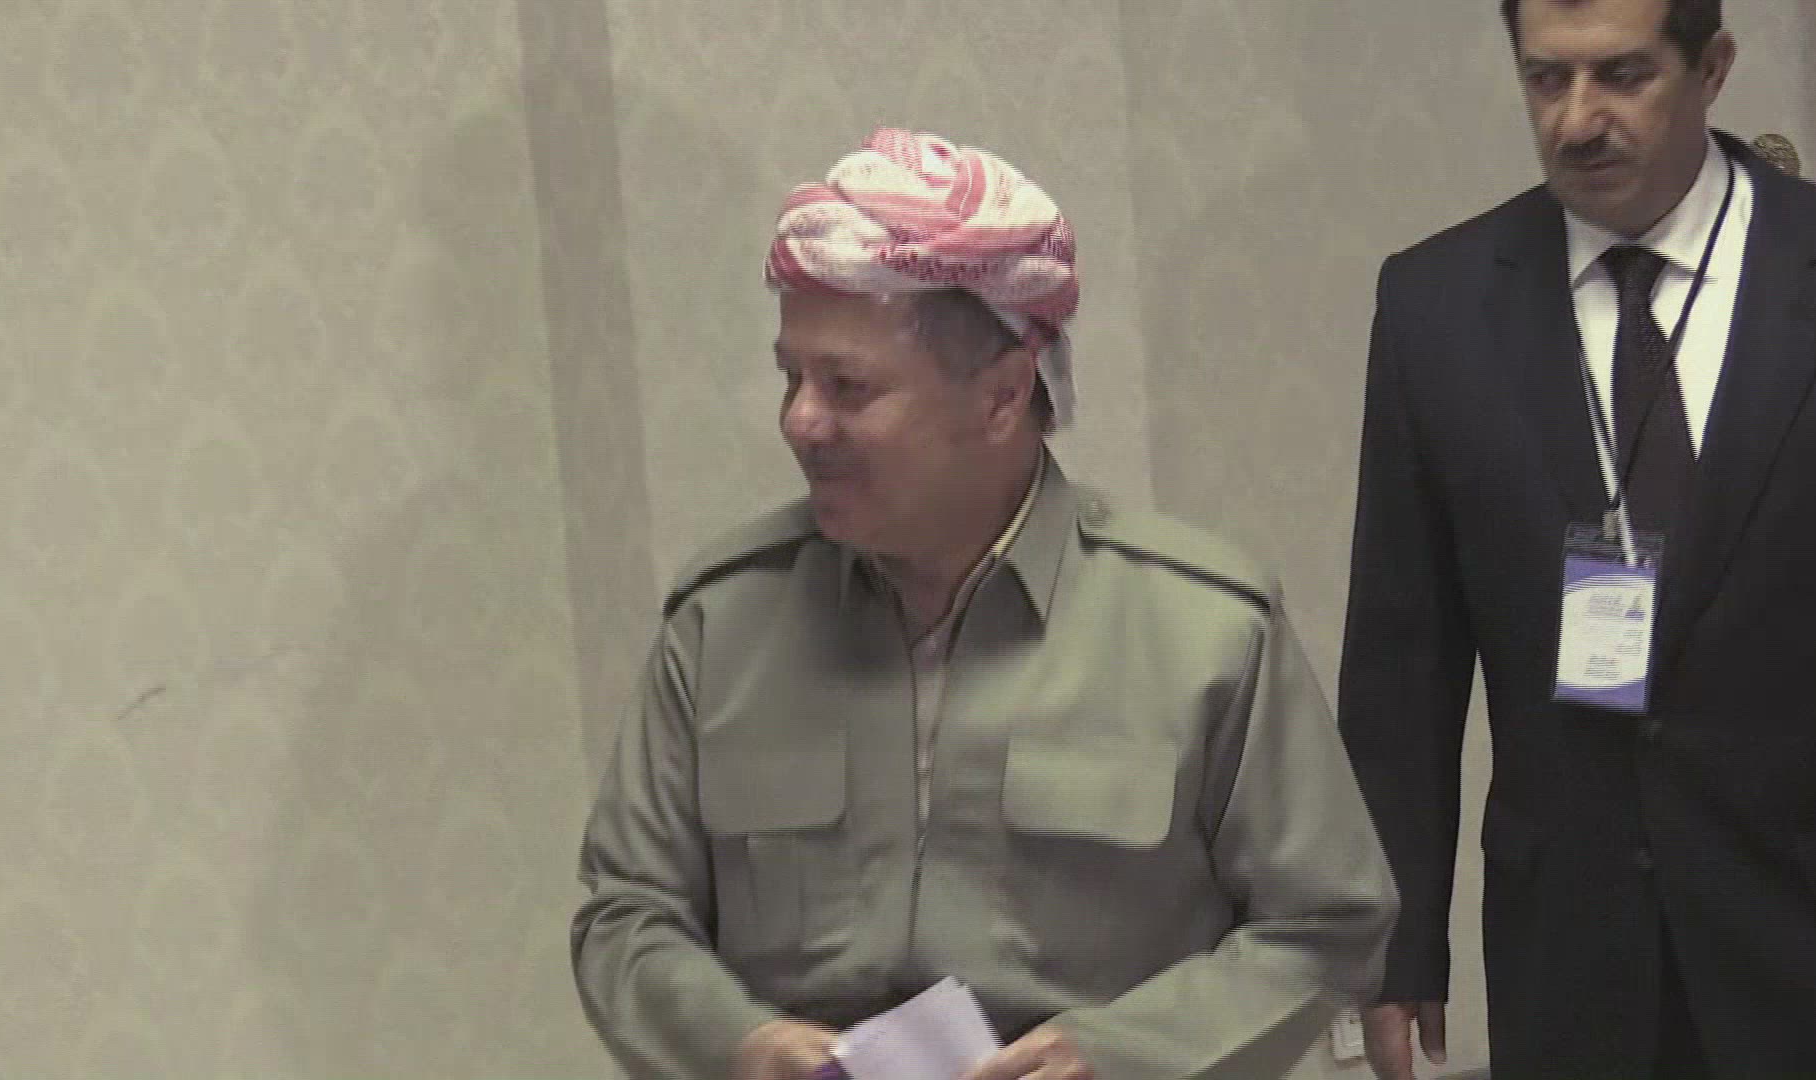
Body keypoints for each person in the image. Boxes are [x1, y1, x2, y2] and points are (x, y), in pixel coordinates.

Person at [574, 128, 1397, 1080]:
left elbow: (1327, 924)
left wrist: (1118, 1057)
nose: (800, 421)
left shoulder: (1202, 629)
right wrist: (738, 1043)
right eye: (791, 377)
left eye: (847, 386)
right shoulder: (723, 621)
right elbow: (625, 913)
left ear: (1003, 397)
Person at [1337, 1, 1816, 1077]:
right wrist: (1395, 943)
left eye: (1621, 75)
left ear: (1712, 68)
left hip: (1812, 932)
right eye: (1546, 78)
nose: (1576, 120)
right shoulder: (1436, 306)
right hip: (1570, 952)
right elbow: (1401, 668)